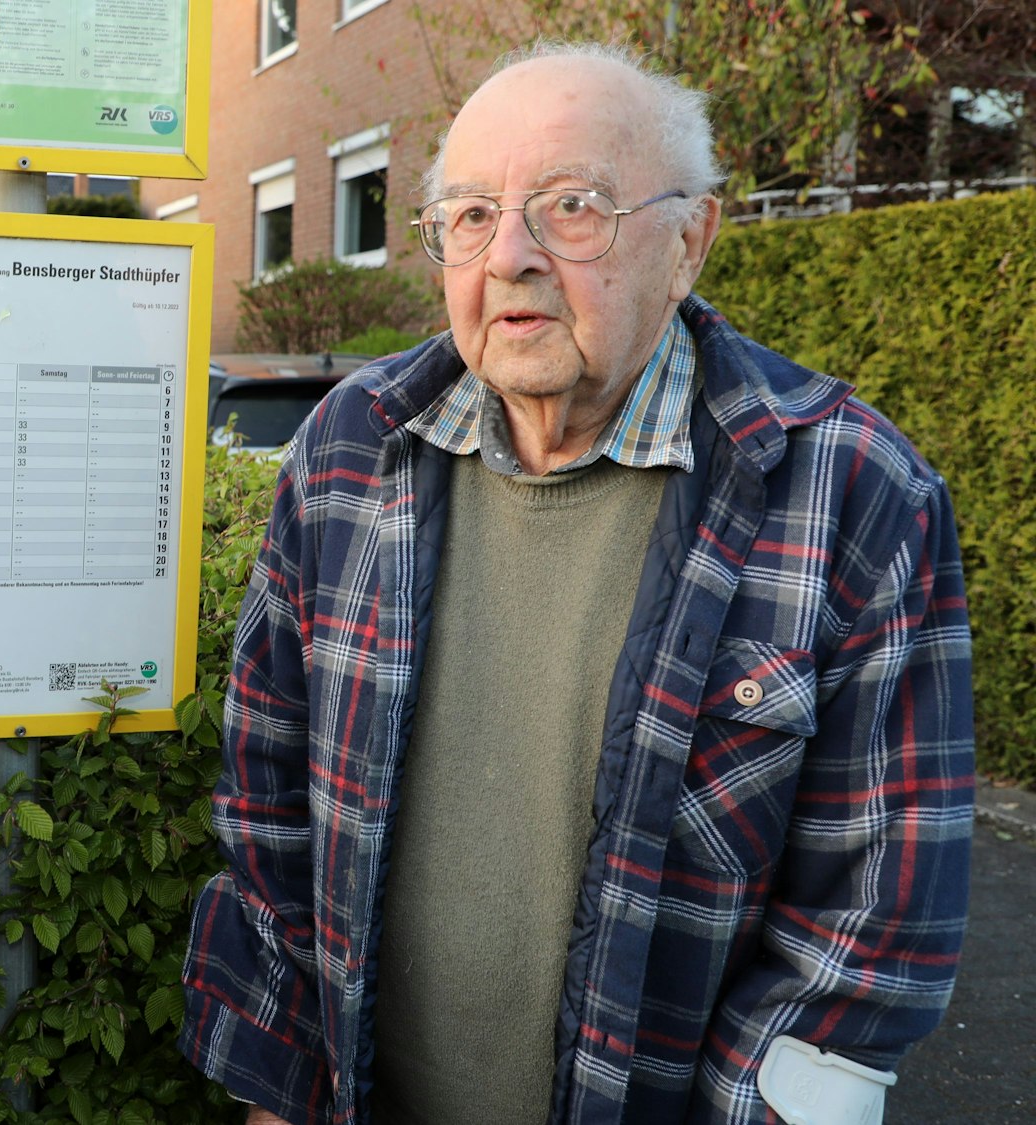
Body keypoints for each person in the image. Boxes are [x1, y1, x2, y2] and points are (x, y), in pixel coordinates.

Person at [180, 42, 973, 1125]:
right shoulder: (345, 454)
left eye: (571, 206)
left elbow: (869, 930)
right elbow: (265, 813)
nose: (508, 255)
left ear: (688, 239)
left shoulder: (852, 493)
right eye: (467, 215)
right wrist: (275, 1098)